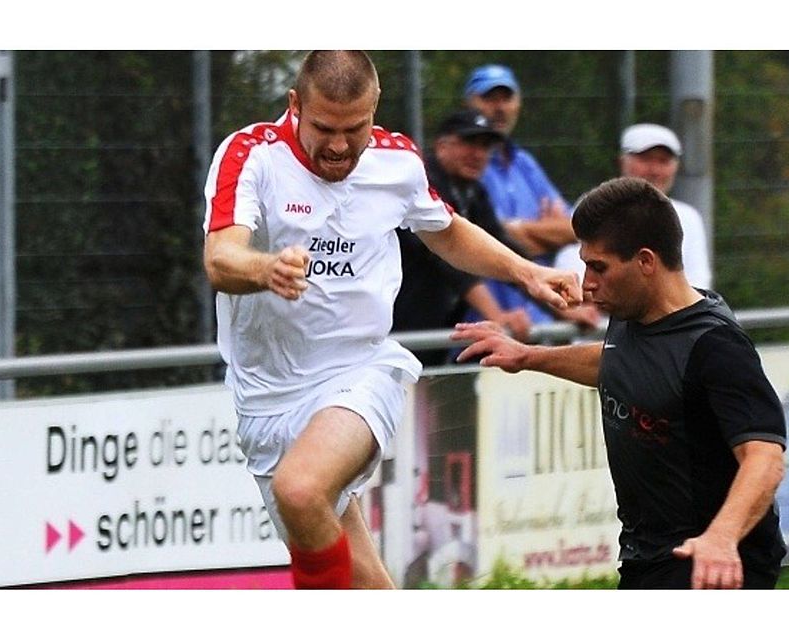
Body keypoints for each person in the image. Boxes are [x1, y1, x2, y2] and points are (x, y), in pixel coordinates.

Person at [201, 51, 581, 589]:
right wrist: (265, 269)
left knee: (302, 489)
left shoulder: (396, 161)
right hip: (266, 396)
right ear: (295, 106)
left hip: (360, 371)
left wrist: (525, 273)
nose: (337, 146)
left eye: (354, 129)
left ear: (374, 111)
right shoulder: (251, 156)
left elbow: (445, 229)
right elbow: (220, 259)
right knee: (362, 577)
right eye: (324, 128)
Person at [452, 177, 787, 589]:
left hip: (708, 564)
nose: (587, 283)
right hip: (649, 556)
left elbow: (765, 456)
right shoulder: (634, 313)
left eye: (599, 267)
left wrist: (721, 538)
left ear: (646, 261)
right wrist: (528, 356)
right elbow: (619, 362)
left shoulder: (715, 345)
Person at [464, 64, 600, 329]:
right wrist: (547, 235)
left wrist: (517, 230)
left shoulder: (525, 164)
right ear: (469, 102)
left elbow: (578, 229)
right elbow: (482, 239)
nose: (499, 107)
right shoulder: (468, 166)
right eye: (489, 98)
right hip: (486, 325)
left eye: (506, 98)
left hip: (542, 323)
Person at [393, 109, 531, 366]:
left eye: (485, 146)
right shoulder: (421, 184)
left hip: (434, 336)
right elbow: (446, 260)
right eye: (469, 142)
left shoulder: (473, 191)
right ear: (441, 145)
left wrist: (557, 296)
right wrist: (498, 316)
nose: (478, 154)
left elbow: (503, 247)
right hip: (398, 335)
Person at [619, 123, 712, 289]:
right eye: (645, 159)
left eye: (663, 161)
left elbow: (698, 283)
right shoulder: (595, 209)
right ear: (623, 162)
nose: (655, 170)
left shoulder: (689, 218)